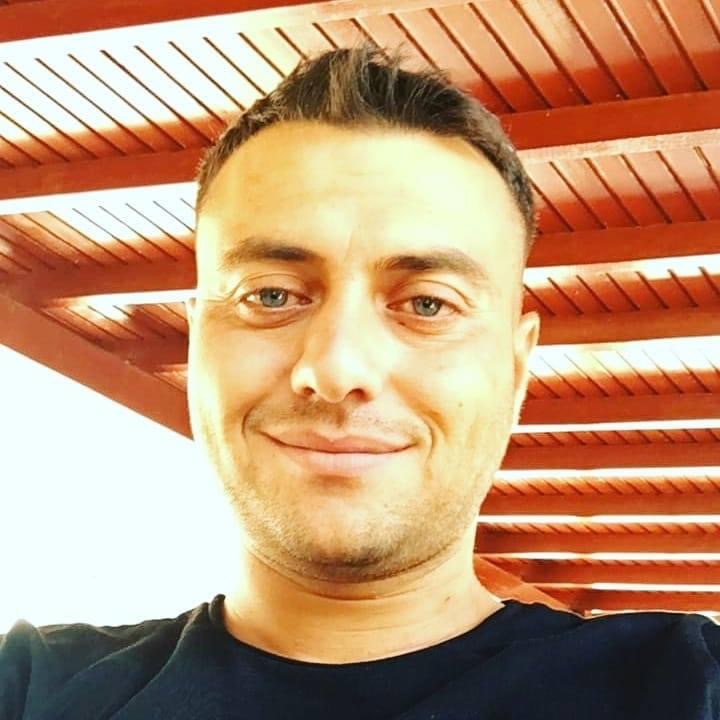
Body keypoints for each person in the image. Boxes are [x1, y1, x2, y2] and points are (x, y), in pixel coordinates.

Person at [1, 41, 718, 719]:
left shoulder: (685, 686)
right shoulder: (31, 687)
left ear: (515, 366)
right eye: (271, 295)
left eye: (427, 304)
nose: (337, 367)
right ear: (198, 338)